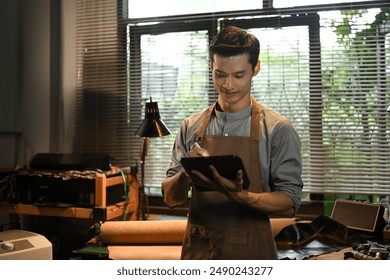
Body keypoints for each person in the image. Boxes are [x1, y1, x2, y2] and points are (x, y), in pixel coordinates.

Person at [161, 26, 303, 260]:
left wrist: (245, 198)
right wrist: (187, 171)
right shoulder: (190, 126)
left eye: (238, 75)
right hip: (199, 252)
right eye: (220, 74)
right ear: (211, 67)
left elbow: (290, 202)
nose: (228, 85)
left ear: (255, 68)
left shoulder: (278, 129)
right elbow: (170, 199)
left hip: (252, 254)